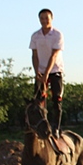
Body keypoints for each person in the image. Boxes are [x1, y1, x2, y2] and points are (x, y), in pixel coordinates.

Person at [29, 8, 64, 139]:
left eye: (46, 18)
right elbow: (34, 55)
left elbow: (54, 55)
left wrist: (46, 75)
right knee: (38, 101)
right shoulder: (35, 36)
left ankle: (56, 128)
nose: (44, 21)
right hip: (41, 71)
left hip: (55, 71)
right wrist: (37, 72)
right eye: (42, 18)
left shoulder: (57, 35)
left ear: (51, 18)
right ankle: (40, 126)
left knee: (56, 100)